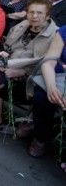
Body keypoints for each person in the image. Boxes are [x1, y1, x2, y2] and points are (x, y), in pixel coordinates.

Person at [0, 0, 57, 131]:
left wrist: (22, 71)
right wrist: (3, 59)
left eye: (39, 13)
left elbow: (44, 61)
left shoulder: (54, 34)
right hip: (8, 63)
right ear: (26, 13)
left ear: (48, 15)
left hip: (30, 75)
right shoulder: (23, 25)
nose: (34, 16)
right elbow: (7, 46)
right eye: (31, 12)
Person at [28, 26, 66, 172]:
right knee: (43, 96)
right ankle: (40, 138)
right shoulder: (64, 31)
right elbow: (49, 61)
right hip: (57, 78)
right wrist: (51, 87)